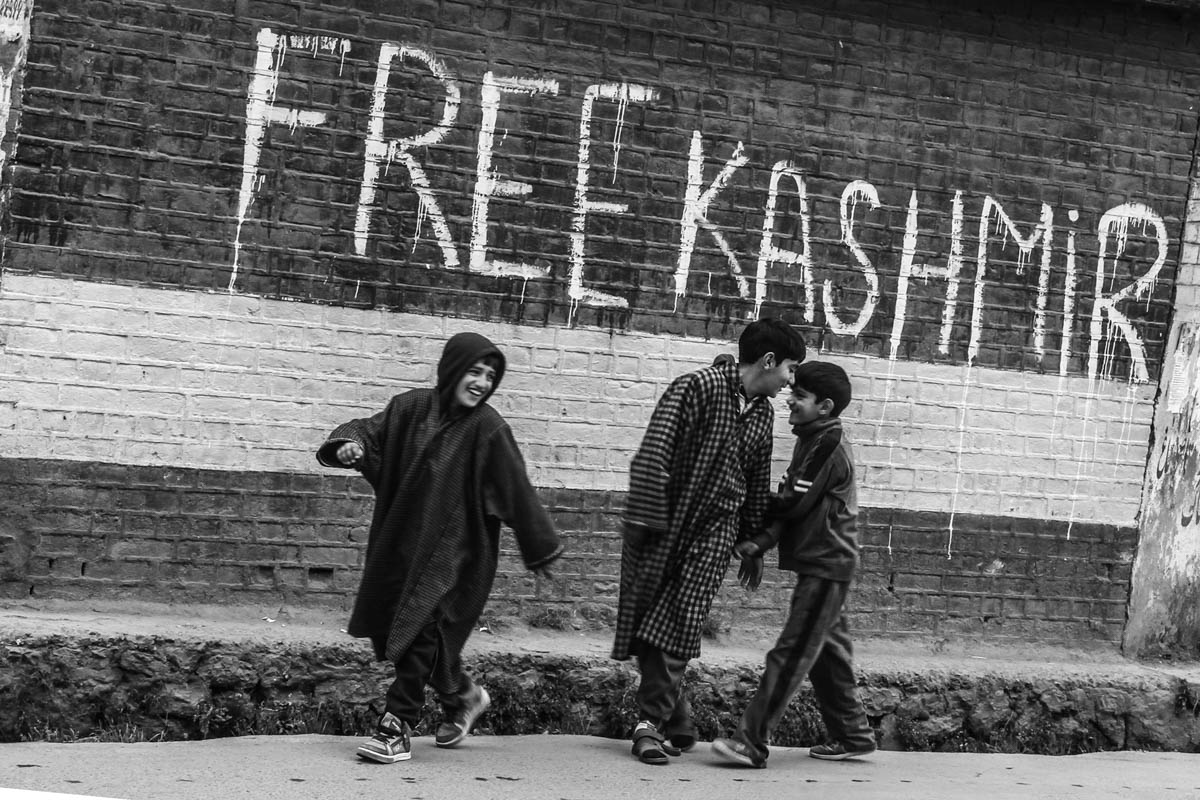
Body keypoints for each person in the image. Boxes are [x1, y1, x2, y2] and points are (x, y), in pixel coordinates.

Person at [317, 332, 563, 764]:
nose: (482, 383)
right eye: (475, 372)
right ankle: (463, 697)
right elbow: (368, 433)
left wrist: (539, 544)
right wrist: (348, 446)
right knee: (408, 632)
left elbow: (516, 488)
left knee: (421, 629)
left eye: (490, 376)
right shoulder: (410, 409)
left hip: (458, 553)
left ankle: (396, 728)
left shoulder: (488, 428)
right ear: (452, 370)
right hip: (403, 545)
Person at [612, 318, 807, 765]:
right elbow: (654, 449)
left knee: (682, 622)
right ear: (769, 361)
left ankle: (647, 724)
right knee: (648, 626)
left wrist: (754, 540)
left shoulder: (762, 415)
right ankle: (677, 717)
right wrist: (646, 521)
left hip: (714, 535)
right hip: (662, 526)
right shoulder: (696, 387)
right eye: (791, 370)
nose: (791, 381)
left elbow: (756, 483)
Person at [712, 361, 876, 769]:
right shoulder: (813, 435)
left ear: (824, 406)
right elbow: (795, 507)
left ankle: (751, 742)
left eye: (799, 396)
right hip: (821, 560)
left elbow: (791, 502)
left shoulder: (828, 443)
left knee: (792, 651)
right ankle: (853, 735)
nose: (790, 398)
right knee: (826, 652)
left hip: (827, 562)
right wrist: (760, 541)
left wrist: (747, 497)